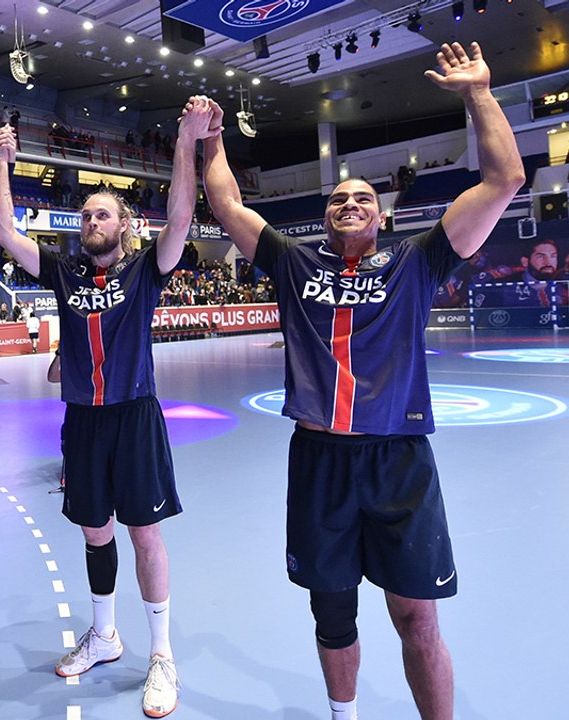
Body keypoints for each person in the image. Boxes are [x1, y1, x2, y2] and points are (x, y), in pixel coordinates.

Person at [201, 43, 523, 720]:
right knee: (333, 613)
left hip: (398, 463)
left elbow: (505, 182)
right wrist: (211, 138)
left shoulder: (418, 261)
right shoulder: (291, 263)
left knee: (418, 619)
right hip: (319, 461)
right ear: (326, 217)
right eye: (340, 197)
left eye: (364, 198)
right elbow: (227, 204)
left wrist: (479, 94)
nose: (350, 202)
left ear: (383, 217)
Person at [0, 108, 199, 717]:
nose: (90, 220)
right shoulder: (64, 270)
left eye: (101, 212)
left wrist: (183, 140)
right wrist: (3, 160)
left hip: (134, 415)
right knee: (93, 531)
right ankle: (105, 635)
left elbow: (183, 215)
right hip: (82, 420)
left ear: (125, 224)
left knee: (145, 534)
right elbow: (5, 233)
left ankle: (161, 655)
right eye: (84, 214)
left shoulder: (145, 268)